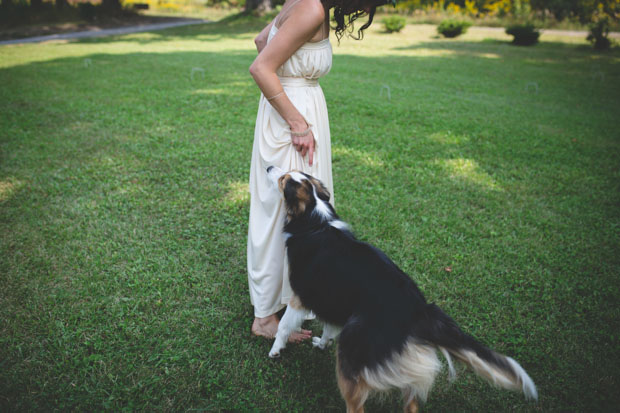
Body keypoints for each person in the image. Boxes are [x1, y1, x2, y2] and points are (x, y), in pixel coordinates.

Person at [247, 0, 392, 341]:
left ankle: (285, 299)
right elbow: (260, 66)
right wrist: (297, 122)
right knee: (284, 215)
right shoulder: (311, 8)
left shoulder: (302, 3)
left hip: (292, 111)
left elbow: (260, 39)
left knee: (288, 214)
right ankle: (265, 318)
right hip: (291, 121)